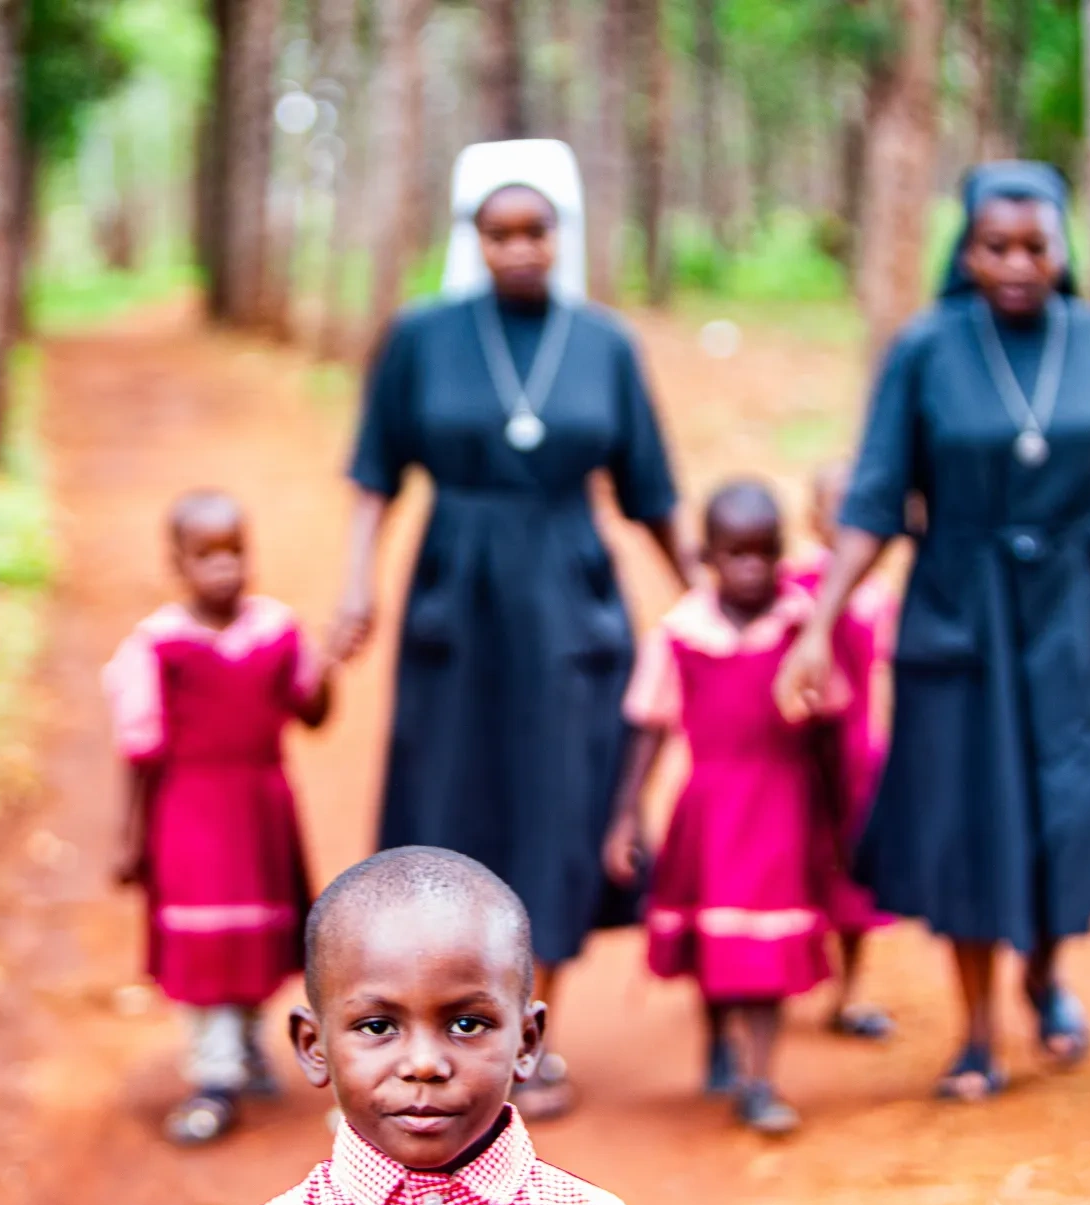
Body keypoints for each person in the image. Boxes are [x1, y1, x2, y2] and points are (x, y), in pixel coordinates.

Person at [776, 162, 1090, 1101]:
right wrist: (819, 626)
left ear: (1063, 248)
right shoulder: (926, 348)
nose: (1017, 264)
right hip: (958, 612)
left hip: (1074, 614)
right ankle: (978, 1031)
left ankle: (1045, 975)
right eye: (996, 247)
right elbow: (874, 498)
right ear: (968, 251)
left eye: (1035, 246)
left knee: (1068, 811)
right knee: (969, 818)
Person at [329, 140, 692, 1122]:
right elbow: (374, 474)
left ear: (561, 235)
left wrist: (700, 592)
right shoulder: (421, 337)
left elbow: (651, 490)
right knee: (449, 802)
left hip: (570, 607)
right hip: (455, 602)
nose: (520, 248)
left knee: (558, 806)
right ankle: (445, 1030)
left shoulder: (604, 344)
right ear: (474, 239)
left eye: (536, 231)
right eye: (500, 233)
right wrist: (356, 586)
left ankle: (531, 1038)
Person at [209, 846, 662, 1205]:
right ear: (315, 1047)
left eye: (467, 1024)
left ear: (528, 1042)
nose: (424, 1064)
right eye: (377, 1026)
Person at [603, 481, 845, 1136]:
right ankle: (718, 1040)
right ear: (707, 557)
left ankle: (759, 1080)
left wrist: (837, 816)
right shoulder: (680, 634)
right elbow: (649, 727)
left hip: (782, 808)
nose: (752, 569)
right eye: (737, 554)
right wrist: (626, 816)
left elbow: (829, 725)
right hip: (709, 810)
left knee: (763, 949)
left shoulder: (803, 629)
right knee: (714, 939)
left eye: (766, 553)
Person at [103, 490, 335, 1146]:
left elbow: (312, 713)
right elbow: (140, 750)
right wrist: (130, 837)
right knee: (204, 942)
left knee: (257, 934)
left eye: (235, 551)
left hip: (260, 810)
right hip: (190, 814)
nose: (224, 567)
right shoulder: (158, 645)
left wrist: (325, 665)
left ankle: (247, 1044)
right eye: (205, 555)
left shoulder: (278, 631)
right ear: (176, 563)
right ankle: (214, 1074)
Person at [787, 462, 897, 1042]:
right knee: (788, 866)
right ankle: (773, 985)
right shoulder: (792, 588)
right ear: (813, 518)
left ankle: (848, 993)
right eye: (835, 504)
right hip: (797, 757)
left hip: (855, 758)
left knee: (854, 878)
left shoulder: (879, 598)